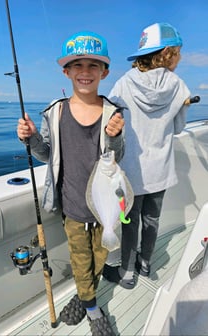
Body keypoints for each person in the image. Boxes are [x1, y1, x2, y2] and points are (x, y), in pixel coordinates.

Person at [17, 31, 125, 335]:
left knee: (101, 257)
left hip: (106, 210)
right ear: (67, 72)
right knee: (80, 260)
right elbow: (45, 154)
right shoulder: (56, 111)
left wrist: (115, 137)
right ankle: (92, 309)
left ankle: (84, 295)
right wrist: (32, 137)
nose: (85, 72)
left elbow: (117, 158)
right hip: (74, 207)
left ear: (104, 72)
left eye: (94, 66)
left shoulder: (114, 112)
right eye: (78, 66)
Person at [103, 22, 191, 289]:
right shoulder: (178, 86)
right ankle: (146, 263)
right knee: (152, 219)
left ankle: (127, 273)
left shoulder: (123, 83)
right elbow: (177, 128)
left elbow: (110, 122)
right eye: (179, 52)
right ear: (168, 54)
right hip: (160, 171)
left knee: (129, 223)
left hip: (130, 173)